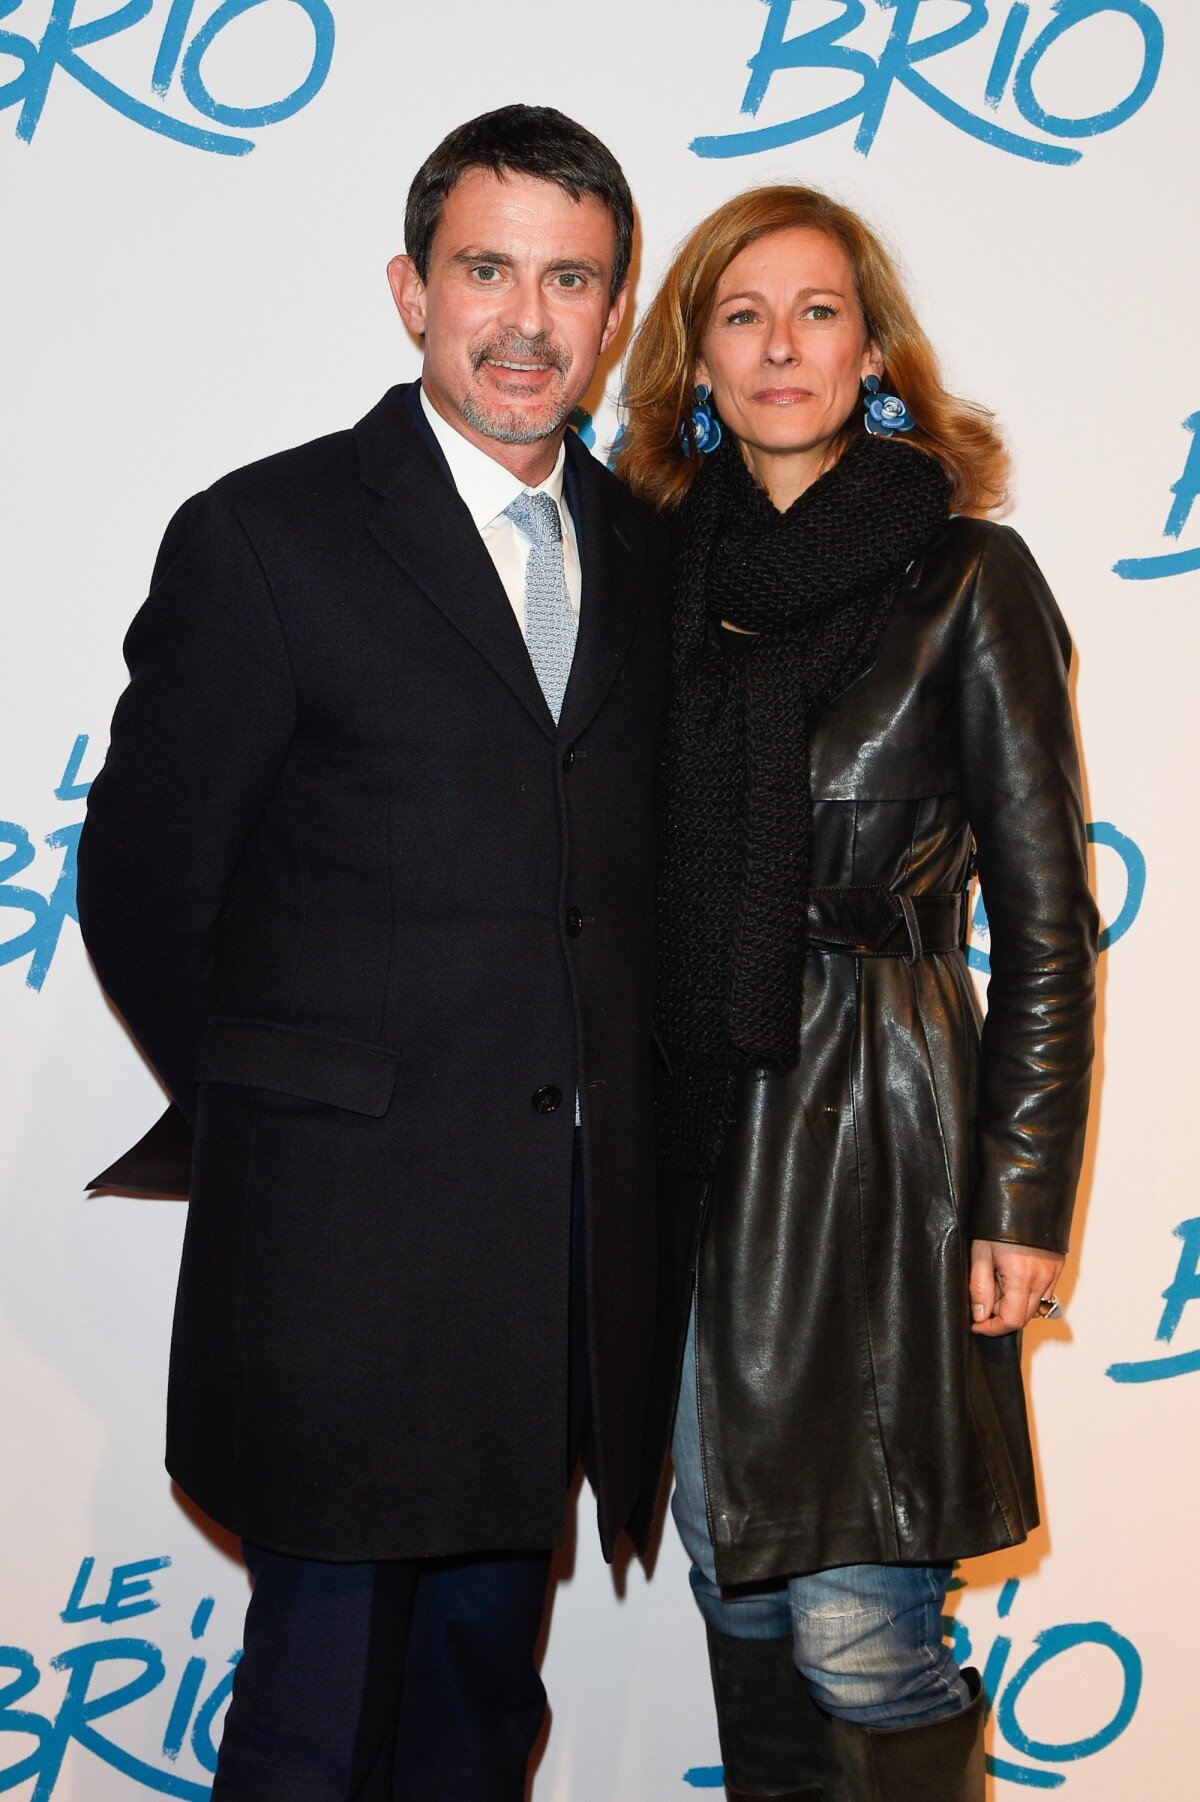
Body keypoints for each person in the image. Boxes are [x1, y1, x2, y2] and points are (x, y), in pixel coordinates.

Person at [76, 105, 668, 1801]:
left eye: (572, 279)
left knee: (481, 1720)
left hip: (553, 1286)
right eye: (489, 270)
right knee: (317, 1728)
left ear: (615, 311)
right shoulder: (266, 540)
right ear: (411, 290)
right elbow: (144, 888)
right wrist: (304, 1112)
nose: (529, 320)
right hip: (341, 1275)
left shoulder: (644, 553)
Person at [617, 185, 1097, 1802]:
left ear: (873, 348)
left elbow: (1044, 925)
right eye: (741, 314)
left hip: (876, 1143)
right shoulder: (647, 582)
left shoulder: (966, 577)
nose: (780, 345)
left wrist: (1020, 1200)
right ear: (694, 358)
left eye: (817, 310)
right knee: (733, 1585)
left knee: (863, 1627)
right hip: (684, 1138)